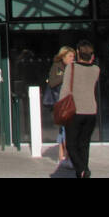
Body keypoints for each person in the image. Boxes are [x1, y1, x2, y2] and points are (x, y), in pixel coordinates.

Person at [62, 40, 101, 178]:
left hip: (75, 111)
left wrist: (62, 110)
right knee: (84, 144)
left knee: (71, 145)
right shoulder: (96, 70)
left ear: (78, 52)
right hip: (91, 111)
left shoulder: (71, 68)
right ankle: (82, 173)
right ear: (91, 54)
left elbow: (65, 90)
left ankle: (83, 169)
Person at [44, 46, 74, 162]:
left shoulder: (72, 67)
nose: (72, 59)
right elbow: (52, 83)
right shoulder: (57, 67)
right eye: (70, 56)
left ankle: (62, 155)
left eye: (74, 56)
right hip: (61, 103)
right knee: (66, 129)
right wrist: (65, 76)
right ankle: (66, 156)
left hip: (70, 102)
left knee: (64, 129)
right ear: (63, 57)